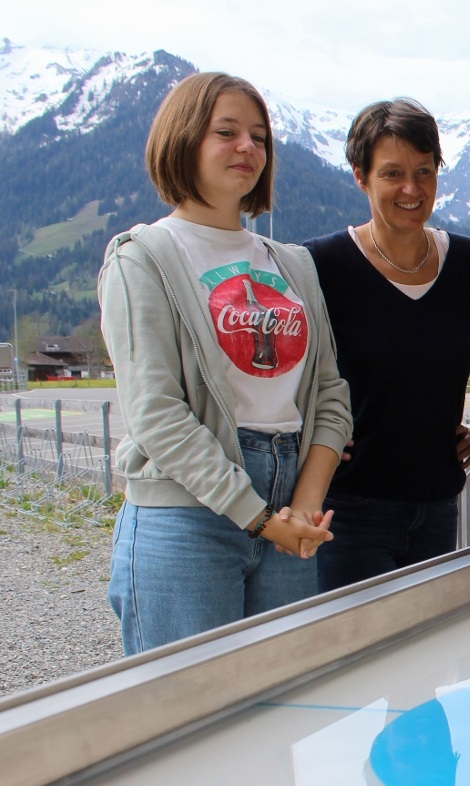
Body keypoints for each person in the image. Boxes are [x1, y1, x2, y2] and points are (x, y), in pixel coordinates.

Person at [98, 73, 352, 655]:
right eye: (227, 132)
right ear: (183, 140)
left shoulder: (293, 264)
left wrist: (305, 506)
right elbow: (156, 414)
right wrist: (258, 516)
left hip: (291, 509)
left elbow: (330, 396)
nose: (248, 149)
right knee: (183, 710)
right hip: (189, 515)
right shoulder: (142, 258)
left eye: (260, 137)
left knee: (277, 709)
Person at [303, 99, 470, 592]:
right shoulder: (321, 263)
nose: (411, 189)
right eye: (392, 173)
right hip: (348, 509)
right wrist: (310, 430)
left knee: (426, 658)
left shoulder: (466, 262)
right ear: (360, 176)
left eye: (425, 171)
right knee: (355, 656)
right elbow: (284, 361)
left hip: (437, 503)